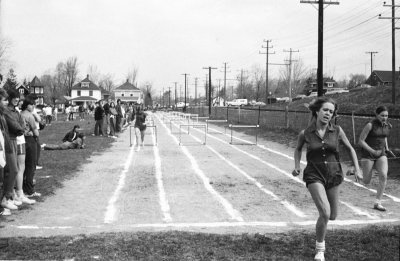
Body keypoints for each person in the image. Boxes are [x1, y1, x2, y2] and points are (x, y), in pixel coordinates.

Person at [293, 97, 361, 261]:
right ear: (317, 111)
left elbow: (350, 148)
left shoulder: (337, 130)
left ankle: (321, 232)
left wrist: (357, 168)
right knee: (325, 212)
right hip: (314, 174)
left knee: (332, 216)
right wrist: (297, 166)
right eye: (325, 110)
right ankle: (320, 250)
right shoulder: (306, 133)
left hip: (333, 174)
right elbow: (297, 149)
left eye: (331, 111)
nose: (328, 114)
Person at [358, 105, 394, 211]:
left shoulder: (388, 125)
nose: (384, 117)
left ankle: (378, 203)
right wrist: (372, 151)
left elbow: (384, 137)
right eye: (382, 115)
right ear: (377, 115)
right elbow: (361, 141)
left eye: (386, 115)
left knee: (383, 176)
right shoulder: (370, 125)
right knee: (366, 181)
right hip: (368, 154)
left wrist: (387, 149)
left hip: (381, 154)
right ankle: (355, 171)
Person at [20, 97, 41, 198]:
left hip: (21, 140)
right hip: (30, 140)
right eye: (31, 104)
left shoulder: (20, 114)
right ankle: (29, 190)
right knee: (31, 165)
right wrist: (35, 134)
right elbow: (36, 132)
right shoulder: (30, 116)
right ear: (26, 105)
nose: (33, 106)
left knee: (23, 165)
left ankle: (22, 187)